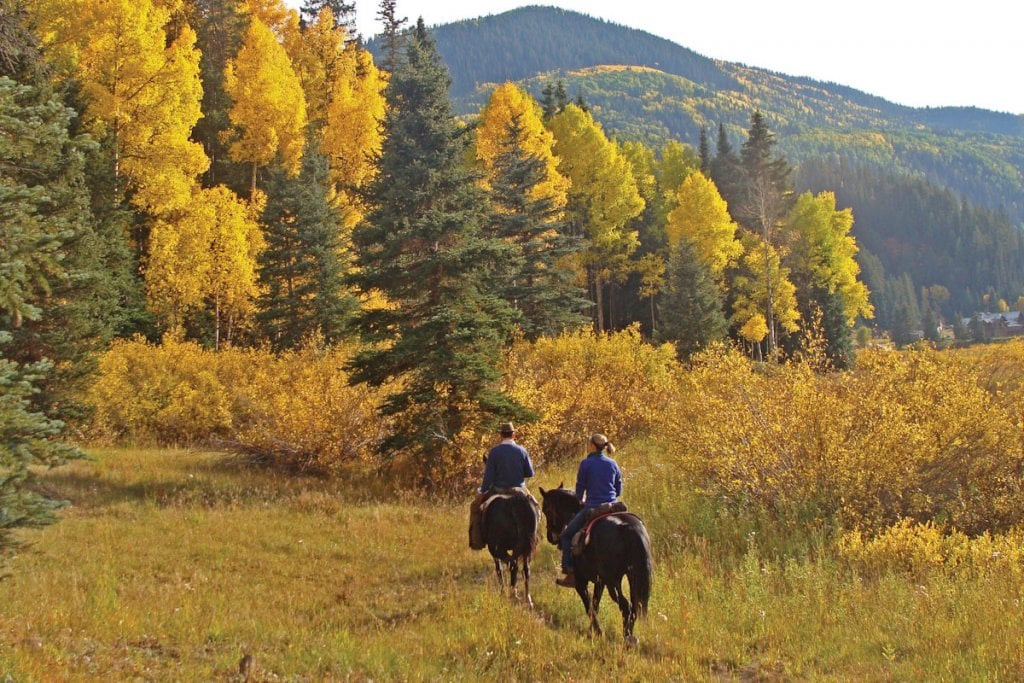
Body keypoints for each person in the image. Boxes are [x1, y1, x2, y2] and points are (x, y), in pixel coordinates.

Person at [556, 433, 621, 587]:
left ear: (592, 446)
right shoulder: (613, 464)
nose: (587, 445)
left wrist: (580, 499)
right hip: (613, 506)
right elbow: (618, 489)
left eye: (588, 443)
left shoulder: (586, 463)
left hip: (593, 506)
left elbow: (580, 488)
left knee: (566, 536)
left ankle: (570, 572)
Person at [468, 422, 535, 550]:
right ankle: (534, 534)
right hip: (519, 490)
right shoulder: (522, 451)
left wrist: (483, 490)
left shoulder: (494, 452)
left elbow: (488, 477)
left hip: (498, 489)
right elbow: (530, 473)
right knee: (535, 507)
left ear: (501, 435)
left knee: (475, 506)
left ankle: (477, 542)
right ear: (514, 434)